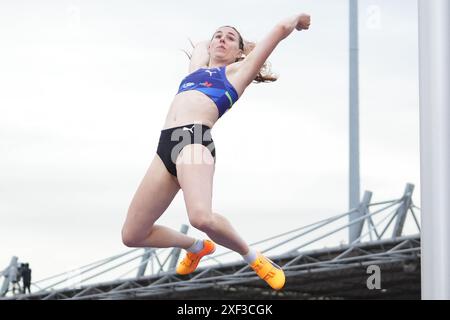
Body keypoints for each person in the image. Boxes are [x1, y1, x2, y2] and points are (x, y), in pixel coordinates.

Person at [122, 13, 311, 291]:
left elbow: (280, 29)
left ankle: (254, 258)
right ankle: (197, 247)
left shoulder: (237, 73)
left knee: (200, 217)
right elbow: (201, 44)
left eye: (230, 38)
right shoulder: (195, 69)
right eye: (218, 36)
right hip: (165, 147)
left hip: (195, 141)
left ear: (240, 54)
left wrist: (298, 19)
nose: (222, 39)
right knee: (132, 234)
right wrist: (223, 39)